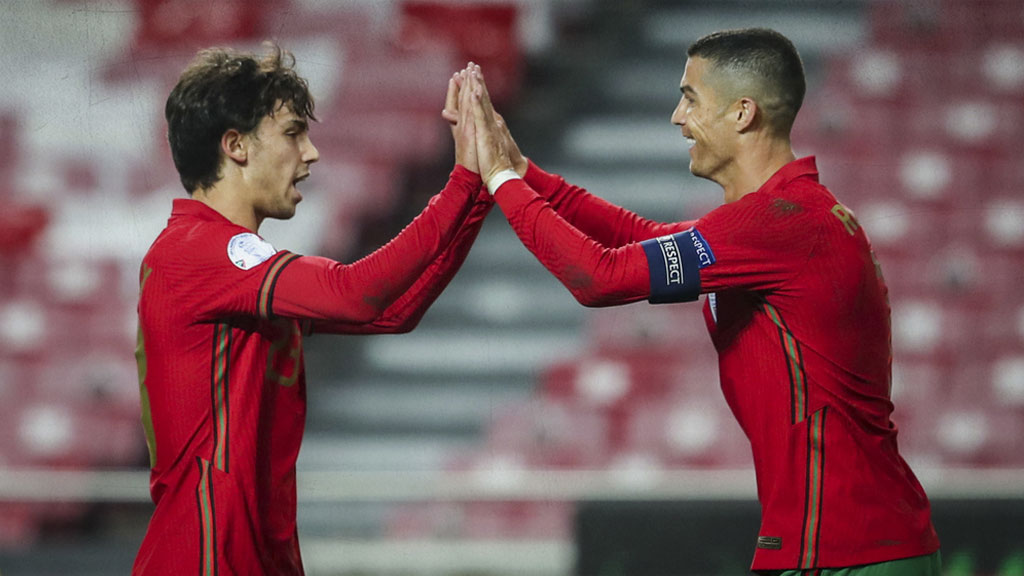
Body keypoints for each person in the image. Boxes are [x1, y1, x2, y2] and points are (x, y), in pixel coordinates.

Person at [458, 28, 942, 574]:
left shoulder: (783, 223)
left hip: (846, 549)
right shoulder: (778, 219)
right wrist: (523, 171)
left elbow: (598, 277)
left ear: (741, 113)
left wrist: (499, 178)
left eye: (690, 98)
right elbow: (638, 236)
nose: (676, 117)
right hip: (844, 541)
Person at [134, 45, 490, 575]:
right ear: (235, 145)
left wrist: (480, 191)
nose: (311, 152)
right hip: (205, 557)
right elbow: (355, 292)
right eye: (292, 133)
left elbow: (390, 313)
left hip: (256, 554)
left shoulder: (237, 268)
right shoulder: (197, 251)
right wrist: (461, 181)